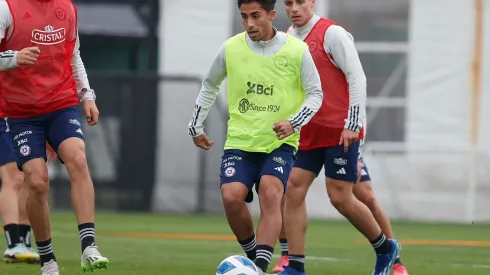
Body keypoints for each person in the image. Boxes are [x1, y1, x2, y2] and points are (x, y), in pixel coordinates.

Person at [188, 0, 322, 273]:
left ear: (272, 15)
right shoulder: (231, 48)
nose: (249, 24)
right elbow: (210, 84)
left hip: (279, 143)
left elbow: (315, 94)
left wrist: (294, 123)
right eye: (244, 17)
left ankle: (259, 267)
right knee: (231, 197)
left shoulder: (297, 51)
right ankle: (251, 256)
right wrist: (196, 126)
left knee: (270, 193)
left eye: (256, 16)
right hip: (240, 141)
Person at [275, 1, 401, 275]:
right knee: (292, 190)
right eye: (288, 3)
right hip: (309, 131)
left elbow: (357, 78)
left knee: (341, 198)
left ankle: (386, 249)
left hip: (340, 131)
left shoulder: (333, 34)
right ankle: (295, 266)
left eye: (300, 2)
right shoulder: (287, 38)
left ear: (312, 3)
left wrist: (353, 125)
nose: (294, 8)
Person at [0, 0, 109, 274]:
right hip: (20, 112)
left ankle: (89, 247)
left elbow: (73, 56)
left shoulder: (68, 8)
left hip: (60, 103)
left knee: (78, 159)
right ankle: (48, 260)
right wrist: (14, 58)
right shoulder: (6, 8)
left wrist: (87, 95)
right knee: (36, 182)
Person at [1, 107, 40, 263]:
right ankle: (14, 243)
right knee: (13, 175)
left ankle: (24, 241)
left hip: (23, 110)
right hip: (4, 111)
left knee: (28, 174)